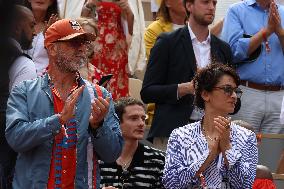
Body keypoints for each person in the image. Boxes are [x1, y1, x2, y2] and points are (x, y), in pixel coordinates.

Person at [5, 19, 123, 189]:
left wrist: (98, 126)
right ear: (52, 49)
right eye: (74, 43)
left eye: (84, 42)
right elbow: (15, 139)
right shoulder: (24, 91)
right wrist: (59, 120)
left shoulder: (99, 95)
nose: (82, 48)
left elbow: (112, 154)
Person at [140, 0, 233, 151]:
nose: (211, 7)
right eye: (205, 2)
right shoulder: (167, 42)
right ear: (189, 6)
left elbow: (234, 97)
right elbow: (148, 92)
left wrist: (223, 94)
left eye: (214, 3)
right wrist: (183, 89)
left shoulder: (223, 49)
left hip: (212, 133)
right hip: (173, 132)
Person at [163, 63, 258, 188]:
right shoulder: (181, 135)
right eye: (227, 89)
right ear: (205, 94)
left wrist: (227, 148)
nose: (234, 96)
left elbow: (246, 185)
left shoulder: (247, 137)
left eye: (236, 91)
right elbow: (170, 183)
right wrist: (209, 156)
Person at [221, 0, 284, 134]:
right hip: (247, 92)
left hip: (279, 95)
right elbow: (231, 53)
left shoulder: (283, 12)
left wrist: (279, 32)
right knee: (240, 148)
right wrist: (266, 32)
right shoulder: (236, 11)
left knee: (273, 150)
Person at [0, 5, 37, 189]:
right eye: (31, 26)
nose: (35, 32)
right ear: (16, 27)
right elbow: (20, 112)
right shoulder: (23, 64)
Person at [99, 97, 165, 189]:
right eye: (134, 118)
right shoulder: (97, 159)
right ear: (116, 122)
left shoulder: (158, 159)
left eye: (143, 118)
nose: (141, 123)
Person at [82, 0, 134, 100]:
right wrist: (88, 6)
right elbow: (83, 19)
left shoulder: (122, 1)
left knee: (117, 75)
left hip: (117, 43)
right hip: (98, 41)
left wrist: (128, 10)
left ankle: (117, 105)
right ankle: (95, 100)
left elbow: (130, 26)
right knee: (97, 71)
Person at [22, 0, 59, 76]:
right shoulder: (16, 22)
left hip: (45, 82)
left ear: (51, 2)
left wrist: (49, 40)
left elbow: (61, 60)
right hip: (17, 78)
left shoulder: (57, 26)